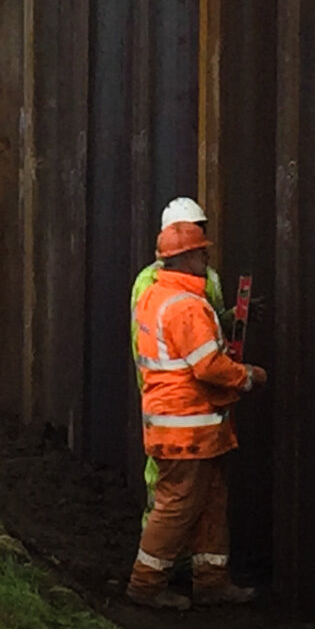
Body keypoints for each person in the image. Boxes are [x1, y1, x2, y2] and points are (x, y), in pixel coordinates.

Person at [126, 219, 265, 610]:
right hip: (186, 430)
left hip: (194, 429)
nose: (206, 256)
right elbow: (208, 367)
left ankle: (211, 581)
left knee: (210, 504)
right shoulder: (185, 306)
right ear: (186, 257)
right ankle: (146, 585)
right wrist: (248, 377)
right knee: (177, 507)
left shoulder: (158, 296)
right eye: (202, 251)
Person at [129, 197, 226, 519]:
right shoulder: (150, 281)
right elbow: (151, 335)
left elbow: (206, 326)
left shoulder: (207, 277)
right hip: (169, 385)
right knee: (166, 474)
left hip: (201, 390)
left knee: (201, 481)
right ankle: (159, 552)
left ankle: (195, 558)